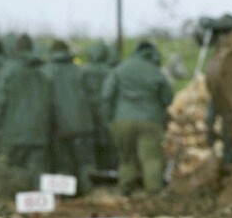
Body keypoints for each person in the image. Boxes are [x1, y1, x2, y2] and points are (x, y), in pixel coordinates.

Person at [101, 40, 174, 195]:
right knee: (151, 159)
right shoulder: (156, 71)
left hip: (122, 120)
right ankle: (153, 193)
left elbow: (106, 95)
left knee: (126, 158)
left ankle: (126, 191)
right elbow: (167, 98)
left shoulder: (120, 69)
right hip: (150, 121)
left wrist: (109, 119)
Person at [0, 34, 52, 190]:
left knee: (11, 168)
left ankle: (13, 203)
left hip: (14, 130)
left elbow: (0, 101)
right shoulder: (44, 71)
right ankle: (40, 206)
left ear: (16, 49)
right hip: (39, 129)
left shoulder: (8, 70)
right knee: (37, 169)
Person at [42, 40, 96, 195]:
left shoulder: (46, 72)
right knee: (85, 162)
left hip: (58, 125)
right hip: (82, 123)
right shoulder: (80, 70)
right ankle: (89, 194)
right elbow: (91, 98)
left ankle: (67, 198)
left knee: (63, 164)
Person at [80, 41, 117, 172]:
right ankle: (108, 169)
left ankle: (93, 169)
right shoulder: (111, 71)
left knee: (90, 141)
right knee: (107, 140)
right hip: (105, 109)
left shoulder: (82, 70)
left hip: (87, 109)